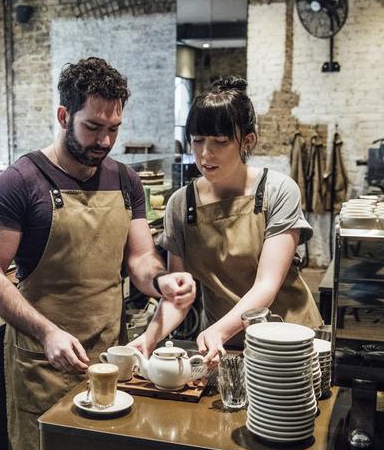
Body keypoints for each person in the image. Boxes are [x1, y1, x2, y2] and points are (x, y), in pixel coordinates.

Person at [0, 57, 196, 450]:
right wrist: (46, 332)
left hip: (113, 355)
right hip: (45, 361)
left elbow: (140, 259)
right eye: (93, 127)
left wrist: (163, 281)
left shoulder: (125, 181)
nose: (105, 141)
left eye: (113, 129)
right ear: (63, 115)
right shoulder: (19, 183)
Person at [129, 77, 323, 365]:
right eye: (197, 140)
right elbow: (178, 298)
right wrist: (149, 336)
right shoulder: (181, 204)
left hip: (288, 340)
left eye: (220, 142)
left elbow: (266, 285)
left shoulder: (277, 191)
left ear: (247, 140)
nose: (206, 154)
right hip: (223, 348)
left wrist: (219, 329)